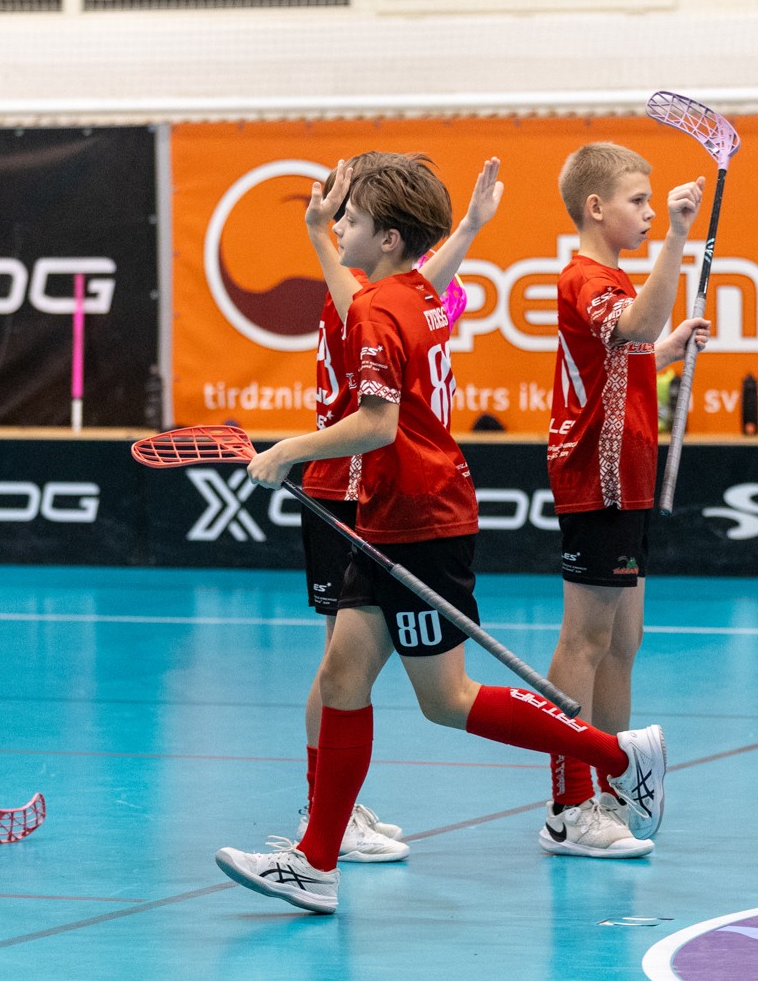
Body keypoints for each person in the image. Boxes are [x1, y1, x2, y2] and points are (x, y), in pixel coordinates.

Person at [215, 153, 665, 915]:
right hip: (393, 515)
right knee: (342, 677)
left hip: (420, 520)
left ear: (389, 239)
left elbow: (378, 423)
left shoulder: (380, 307)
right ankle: (316, 863)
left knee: (447, 699)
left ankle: (617, 756)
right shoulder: (418, 294)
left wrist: (287, 450)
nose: (341, 230)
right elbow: (412, 285)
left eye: (353, 221)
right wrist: (468, 227)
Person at [289, 153, 502, 863]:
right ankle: (324, 813)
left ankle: (333, 813)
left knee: (346, 668)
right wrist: (319, 231)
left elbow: (422, 283)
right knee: (337, 666)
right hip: (341, 485)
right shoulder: (355, 297)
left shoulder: (384, 293)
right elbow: (413, 287)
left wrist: (469, 227)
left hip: (374, 488)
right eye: (344, 215)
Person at [541, 143, 708, 857]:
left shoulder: (612, 280)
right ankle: (568, 805)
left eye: (651, 203)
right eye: (638, 201)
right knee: (584, 640)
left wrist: (667, 350)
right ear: (595, 208)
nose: (648, 213)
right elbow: (632, 327)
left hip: (629, 477)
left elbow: (627, 351)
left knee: (622, 642)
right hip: (597, 477)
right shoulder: (586, 276)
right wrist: (678, 236)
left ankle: (608, 785)